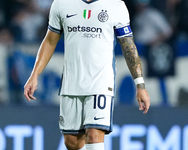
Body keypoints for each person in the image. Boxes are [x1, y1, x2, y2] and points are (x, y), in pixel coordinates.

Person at [24, 0, 150, 149]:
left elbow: (128, 46)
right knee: (72, 142)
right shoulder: (61, 4)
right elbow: (50, 41)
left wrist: (140, 85)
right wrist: (34, 75)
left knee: (93, 135)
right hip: (71, 82)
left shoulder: (116, 5)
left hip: (101, 82)